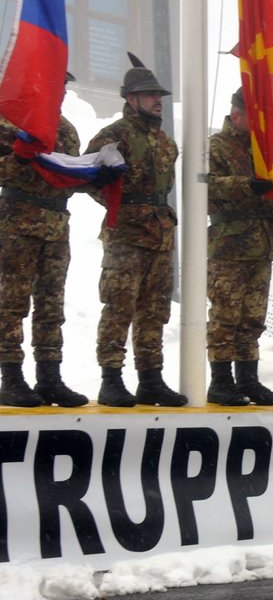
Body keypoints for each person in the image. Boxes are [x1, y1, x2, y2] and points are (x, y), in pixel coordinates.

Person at [88, 58, 185, 407]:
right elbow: (90, 174)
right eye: (149, 95)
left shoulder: (165, 142)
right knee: (119, 306)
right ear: (131, 99)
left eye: (158, 95)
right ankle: (111, 379)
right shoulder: (115, 135)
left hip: (160, 236)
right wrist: (121, 207)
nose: (157, 100)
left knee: (155, 310)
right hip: (127, 237)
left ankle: (150, 379)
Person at [0, 76, 87, 407]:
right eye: (56, 85)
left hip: (55, 226)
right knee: (13, 304)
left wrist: (92, 175)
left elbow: (67, 178)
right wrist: (17, 158)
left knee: (51, 307)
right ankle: (11, 378)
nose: (61, 92)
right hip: (18, 225)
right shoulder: (10, 121)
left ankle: (49, 378)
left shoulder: (66, 131)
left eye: (64, 87)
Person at [204, 89, 273, 406]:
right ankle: (221, 381)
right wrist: (245, 185)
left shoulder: (260, 152)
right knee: (226, 317)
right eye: (255, 115)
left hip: (261, 245)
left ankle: (248, 380)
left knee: (252, 319)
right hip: (230, 247)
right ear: (237, 115)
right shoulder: (216, 147)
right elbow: (206, 184)